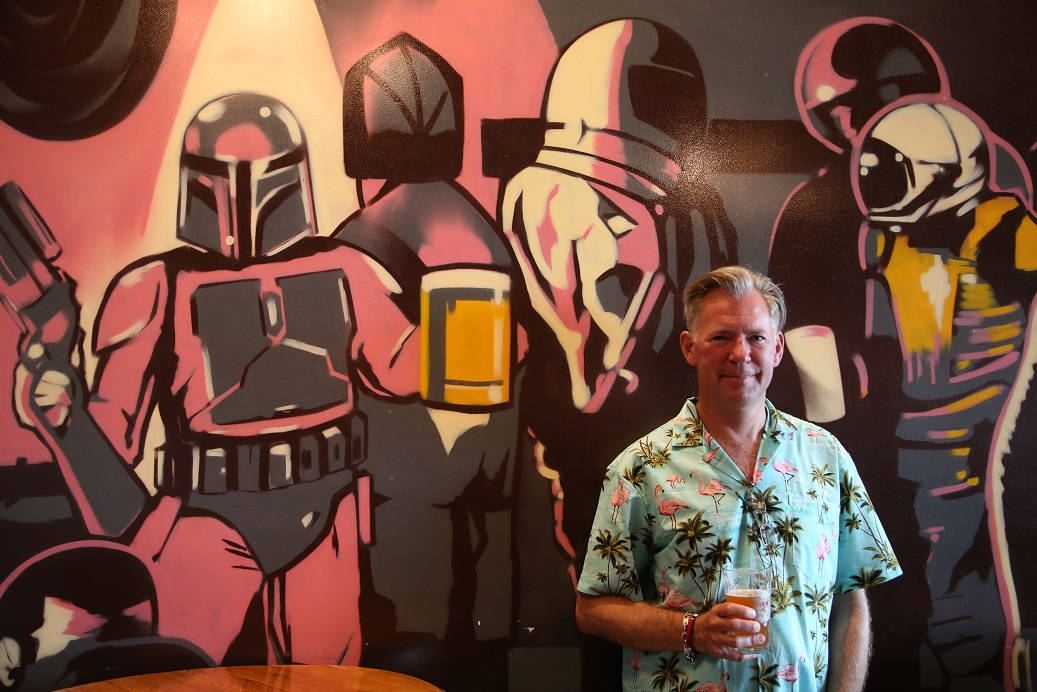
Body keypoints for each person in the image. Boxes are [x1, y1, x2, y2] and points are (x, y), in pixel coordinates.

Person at [574, 265, 902, 691]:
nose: (740, 354)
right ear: (690, 348)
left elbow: (851, 599)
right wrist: (692, 631)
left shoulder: (826, 456)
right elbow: (593, 610)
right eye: (721, 337)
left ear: (778, 348)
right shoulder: (640, 468)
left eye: (756, 337)